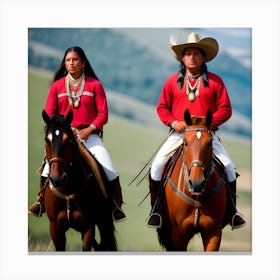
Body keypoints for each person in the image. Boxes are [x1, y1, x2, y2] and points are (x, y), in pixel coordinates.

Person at [147, 32, 246, 229]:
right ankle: (156, 210)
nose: (192, 57)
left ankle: (232, 212)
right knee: (156, 166)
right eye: (188, 53)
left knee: (229, 168)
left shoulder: (216, 82)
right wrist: (173, 122)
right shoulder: (171, 82)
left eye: (196, 53)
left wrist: (209, 125)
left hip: (206, 136)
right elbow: (162, 108)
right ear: (182, 58)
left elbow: (226, 109)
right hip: (179, 135)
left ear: (203, 57)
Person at [28, 46, 126, 223]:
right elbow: (49, 113)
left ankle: (115, 206)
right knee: (47, 168)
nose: (71, 63)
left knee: (109, 169)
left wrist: (89, 130)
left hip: (89, 136)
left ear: (83, 63)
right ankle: (40, 201)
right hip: (64, 137)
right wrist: (64, 129)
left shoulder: (95, 85)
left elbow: (103, 114)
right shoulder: (57, 87)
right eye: (68, 60)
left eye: (75, 60)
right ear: (64, 64)